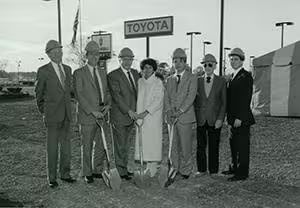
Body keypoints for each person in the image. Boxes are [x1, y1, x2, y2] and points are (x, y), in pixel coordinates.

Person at [35, 40, 76, 188]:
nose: (59, 53)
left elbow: (69, 91)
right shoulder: (43, 71)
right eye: (55, 51)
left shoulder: (68, 69)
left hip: (67, 114)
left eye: (60, 50)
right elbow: (38, 95)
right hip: (52, 116)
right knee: (52, 148)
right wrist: (44, 112)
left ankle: (65, 174)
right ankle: (52, 178)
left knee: (66, 147)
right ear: (49, 54)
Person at [73, 41, 111, 183]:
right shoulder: (79, 73)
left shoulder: (102, 72)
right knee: (87, 145)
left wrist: (108, 105)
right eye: (92, 54)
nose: (95, 57)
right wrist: (93, 111)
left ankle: (97, 169)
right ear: (86, 55)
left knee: (101, 145)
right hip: (88, 116)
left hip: (103, 114)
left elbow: (106, 92)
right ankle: (87, 173)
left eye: (97, 54)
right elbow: (79, 95)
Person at [164, 48, 197, 186]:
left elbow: (191, 96)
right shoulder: (170, 79)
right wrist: (169, 111)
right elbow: (166, 97)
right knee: (173, 146)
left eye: (179, 61)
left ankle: (186, 170)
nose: (176, 64)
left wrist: (181, 110)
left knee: (185, 146)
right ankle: (174, 168)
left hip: (185, 117)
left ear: (185, 62)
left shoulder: (192, 77)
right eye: (174, 61)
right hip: (172, 118)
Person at [222, 47, 255, 181]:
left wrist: (240, 117)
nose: (233, 61)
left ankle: (242, 173)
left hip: (241, 118)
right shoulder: (232, 76)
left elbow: (246, 98)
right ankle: (235, 167)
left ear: (242, 61)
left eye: (236, 59)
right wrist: (228, 117)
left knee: (242, 146)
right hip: (232, 118)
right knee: (233, 144)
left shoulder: (245, 76)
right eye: (231, 59)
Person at [107, 47, 140, 180]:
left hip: (132, 117)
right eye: (124, 59)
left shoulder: (136, 73)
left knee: (126, 145)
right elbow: (117, 96)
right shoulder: (113, 75)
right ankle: (121, 172)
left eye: (130, 59)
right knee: (120, 145)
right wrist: (129, 111)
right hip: (120, 116)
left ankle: (124, 168)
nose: (127, 61)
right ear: (119, 60)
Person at [194, 54, 226, 176]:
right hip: (200, 119)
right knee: (200, 146)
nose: (207, 67)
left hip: (214, 119)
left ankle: (213, 170)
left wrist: (220, 119)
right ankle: (201, 169)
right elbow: (194, 101)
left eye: (210, 64)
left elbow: (224, 103)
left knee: (214, 146)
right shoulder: (197, 81)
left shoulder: (221, 81)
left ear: (215, 65)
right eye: (205, 64)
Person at [135, 58, 164, 177]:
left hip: (152, 118)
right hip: (140, 117)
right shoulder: (140, 81)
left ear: (154, 69)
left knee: (153, 143)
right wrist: (138, 114)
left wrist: (146, 112)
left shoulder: (158, 82)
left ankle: (152, 168)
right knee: (144, 144)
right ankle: (146, 168)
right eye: (144, 67)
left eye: (149, 67)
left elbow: (158, 101)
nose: (147, 70)